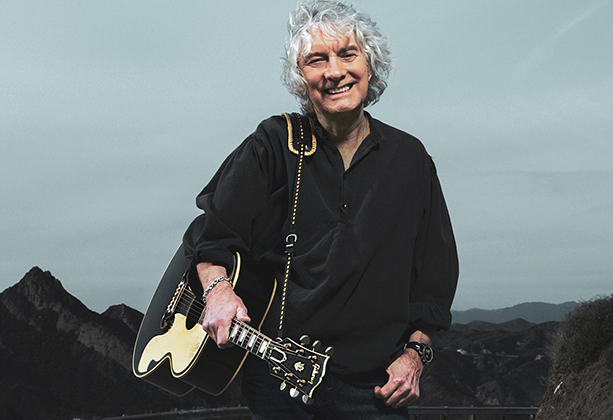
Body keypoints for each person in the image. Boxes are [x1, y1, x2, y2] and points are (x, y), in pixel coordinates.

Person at [182, 1, 458, 418]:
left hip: (375, 388)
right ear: (300, 77)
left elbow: (435, 277)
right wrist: (217, 290)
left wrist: (416, 354)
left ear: (370, 65)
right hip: (277, 379)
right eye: (316, 60)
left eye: (348, 54)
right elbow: (211, 235)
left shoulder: (410, 158)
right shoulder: (273, 143)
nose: (334, 72)